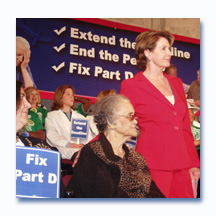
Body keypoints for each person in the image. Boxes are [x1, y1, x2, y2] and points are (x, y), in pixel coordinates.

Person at [120, 30, 200, 198]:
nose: (170, 53)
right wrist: (93, 149)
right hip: (152, 164)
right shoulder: (131, 85)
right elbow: (117, 123)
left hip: (182, 164)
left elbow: (185, 126)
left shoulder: (176, 83)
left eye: (169, 48)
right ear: (148, 53)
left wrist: (193, 163)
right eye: (164, 48)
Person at [66, 94, 165, 198]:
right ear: (110, 121)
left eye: (135, 116)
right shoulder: (93, 153)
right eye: (130, 116)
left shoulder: (136, 158)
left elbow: (155, 194)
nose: (135, 121)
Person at [45, 84, 94, 160]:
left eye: (72, 95)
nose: (72, 97)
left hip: (81, 149)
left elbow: (88, 136)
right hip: (63, 148)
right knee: (79, 155)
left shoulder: (80, 117)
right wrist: (68, 144)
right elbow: (51, 135)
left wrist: (83, 145)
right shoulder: (51, 116)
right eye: (68, 94)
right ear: (60, 97)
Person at [16, 81, 55, 150]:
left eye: (36, 94)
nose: (28, 105)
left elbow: (42, 136)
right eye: (21, 97)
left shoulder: (39, 113)